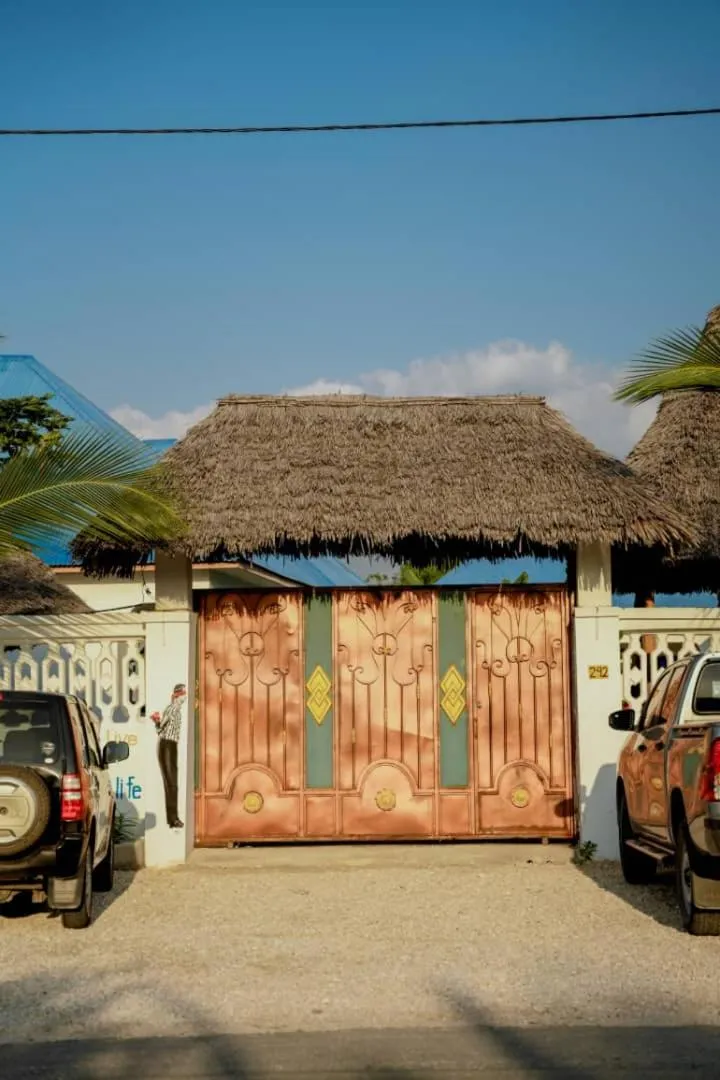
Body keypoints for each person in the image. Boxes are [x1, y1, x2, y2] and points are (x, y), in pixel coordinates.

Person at [151, 683, 186, 829]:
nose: (184, 697)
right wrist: (156, 721)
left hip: (172, 745)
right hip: (166, 745)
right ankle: (172, 819)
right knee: (170, 783)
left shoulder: (177, 710)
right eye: (182, 694)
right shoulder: (172, 709)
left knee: (173, 784)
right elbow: (160, 729)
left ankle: (173, 818)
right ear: (177, 696)